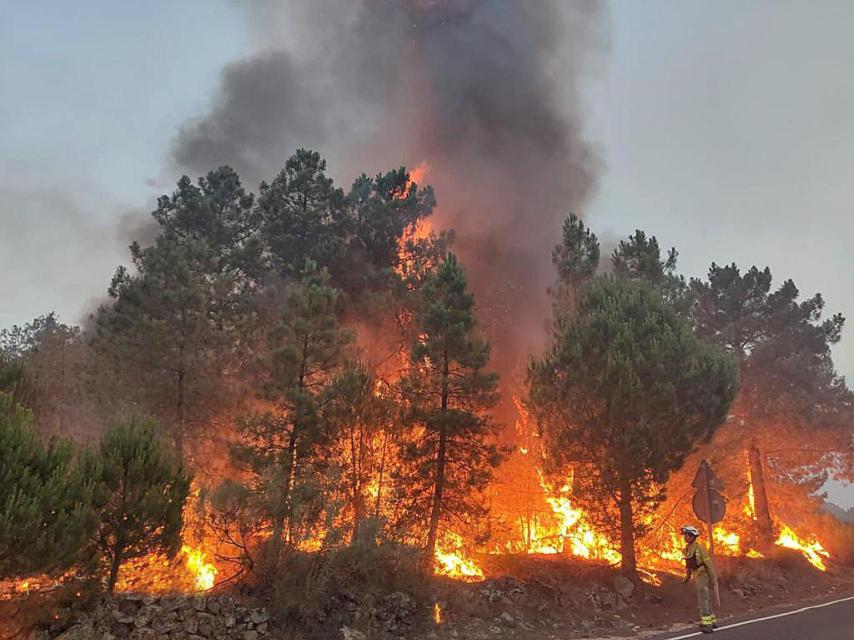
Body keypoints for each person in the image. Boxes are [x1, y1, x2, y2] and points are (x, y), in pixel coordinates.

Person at [681, 525, 717, 633]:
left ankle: (707, 625)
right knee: (704, 598)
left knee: (702, 600)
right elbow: (689, 564)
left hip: (702, 575)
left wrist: (713, 578)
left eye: (686, 535)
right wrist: (687, 577)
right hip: (696, 575)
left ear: (692, 536)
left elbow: (708, 563)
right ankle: (712, 620)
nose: (685, 537)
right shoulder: (687, 549)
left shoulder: (699, 548)